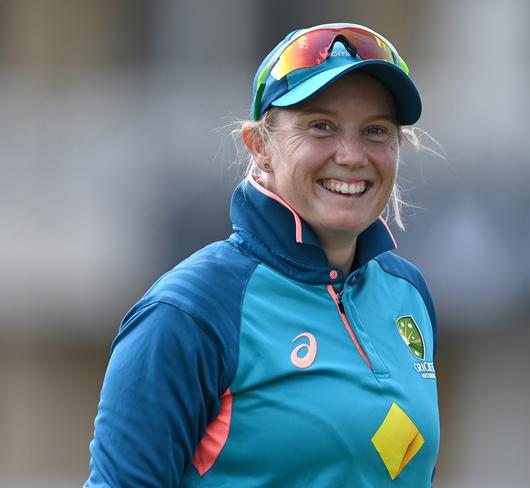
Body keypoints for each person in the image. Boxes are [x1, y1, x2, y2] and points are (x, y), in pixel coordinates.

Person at [85, 22, 440, 487]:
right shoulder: (189, 310)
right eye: (321, 126)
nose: (353, 155)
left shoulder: (406, 292)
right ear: (260, 146)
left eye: (376, 130)